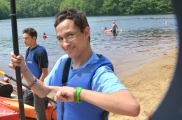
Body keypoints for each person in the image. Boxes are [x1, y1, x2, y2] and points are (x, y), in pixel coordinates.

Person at [9, 8, 140, 120]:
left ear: (86, 32)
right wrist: (24, 69)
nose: (65, 44)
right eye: (60, 39)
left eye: (70, 35)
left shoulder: (99, 70)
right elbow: (42, 91)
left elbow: (131, 107)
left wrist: (77, 93)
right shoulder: (64, 62)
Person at [21, 28, 49, 120]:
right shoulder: (28, 50)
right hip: (30, 82)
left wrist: (38, 87)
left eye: (26, 38)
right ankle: (44, 100)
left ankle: (42, 102)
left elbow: (45, 72)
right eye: (23, 38)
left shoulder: (40, 52)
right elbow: (26, 66)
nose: (24, 41)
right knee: (25, 101)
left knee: (38, 108)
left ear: (34, 38)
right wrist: (21, 77)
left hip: (38, 83)